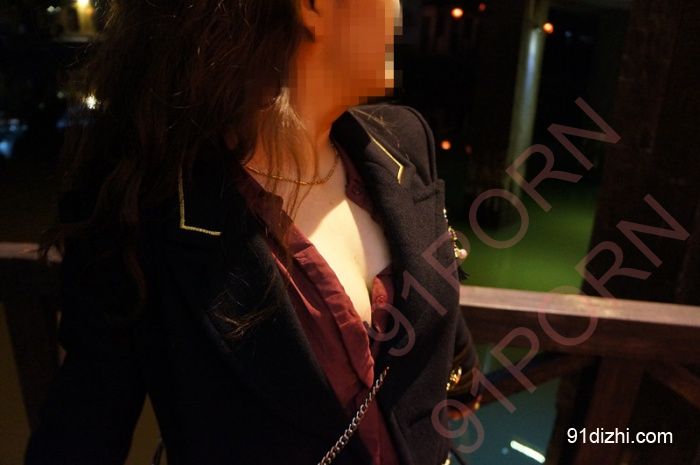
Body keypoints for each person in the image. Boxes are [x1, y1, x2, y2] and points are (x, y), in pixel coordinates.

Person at [26, 1, 481, 464]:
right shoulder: (143, 209)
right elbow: (78, 437)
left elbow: (451, 362)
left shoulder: (401, 143)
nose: (398, 9)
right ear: (313, 8)